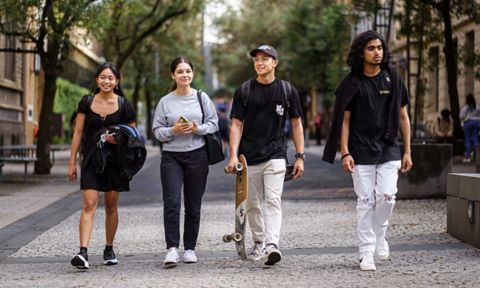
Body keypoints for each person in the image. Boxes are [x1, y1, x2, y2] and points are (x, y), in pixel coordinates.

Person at [323, 30, 413, 271]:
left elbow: (403, 117)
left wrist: (407, 151)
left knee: (386, 197)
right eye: (371, 48)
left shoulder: (392, 78)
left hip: (388, 147)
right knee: (365, 200)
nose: (377, 53)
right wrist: (345, 152)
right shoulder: (351, 83)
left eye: (380, 48)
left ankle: (380, 234)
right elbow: (344, 120)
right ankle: (366, 252)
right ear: (361, 52)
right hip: (360, 149)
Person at [226, 45, 305, 266]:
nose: (260, 63)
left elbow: (297, 124)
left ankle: (272, 244)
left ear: (275, 63)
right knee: (252, 204)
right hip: (248, 157)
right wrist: (233, 155)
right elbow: (236, 125)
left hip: (276, 155)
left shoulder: (287, 91)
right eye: (256, 60)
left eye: (265, 59)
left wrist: (300, 156)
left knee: (272, 200)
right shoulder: (244, 90)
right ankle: (259, 241)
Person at [68, 62, 136, 269]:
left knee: (111, 206)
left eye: (111, 78)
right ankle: (83, 252)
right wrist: (72, 163)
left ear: (117, 82)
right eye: (103, 77)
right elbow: (78, 132)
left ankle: (109, 247)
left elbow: (133, 137)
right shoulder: (86, 102)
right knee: (89, 204)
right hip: (91, 160)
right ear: (97, 80)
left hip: (115, 162)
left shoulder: (125, 105)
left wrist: (118, 140)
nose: (107, 81)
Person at [152, 57, 219, 268]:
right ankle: (172, 249)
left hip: (197, 155)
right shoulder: (165, 101)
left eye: (188, 71)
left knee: (193, 204)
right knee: (171, 203)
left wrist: (197, 129)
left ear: (193, 73)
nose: (184, 75)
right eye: (180, 72)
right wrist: (173, 130)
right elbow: (157, 131)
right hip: (171, 157)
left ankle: (190, 248)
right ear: (173, 75)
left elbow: (214, 123)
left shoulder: (202, 97)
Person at [459, 93, 480, 162]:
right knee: (475, 139)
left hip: (468, 123)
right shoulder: (477, 106)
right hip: (477, 123)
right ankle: (477, 157)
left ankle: (468, 157)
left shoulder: (466, 107)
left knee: (468, 140)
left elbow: (461, 116)